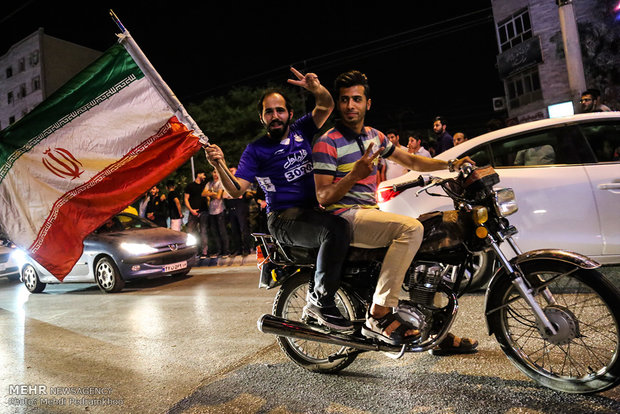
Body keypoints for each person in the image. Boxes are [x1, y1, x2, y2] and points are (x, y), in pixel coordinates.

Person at [312, 70, 478, 353]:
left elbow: (413, 160)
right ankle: (378, 314)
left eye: (356, 99)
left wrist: (451, 165)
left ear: (368, 103)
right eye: (344, 100)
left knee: (429, 244)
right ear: (338, 104)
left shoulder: (375, 137)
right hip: (343, 217)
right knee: (411, 228)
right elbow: (323, 197)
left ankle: (434, 329)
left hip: (369, 211)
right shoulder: (327, 142)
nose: (350, 106)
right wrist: (353, 175)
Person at [205, 67, 353, 331]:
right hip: (284, 218)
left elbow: (327, 105)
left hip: (312, 211)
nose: (275, 116)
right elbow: (237, 190)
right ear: (262, 118)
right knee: (337, 230)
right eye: (269, 112)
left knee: (353, 222)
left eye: (280, 110)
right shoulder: (256, 150)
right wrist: (219, 165)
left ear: (289, 114)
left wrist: (316, 88)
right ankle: (321, 300)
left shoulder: (302, 130)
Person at [224, 167, 253, 257]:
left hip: (241, 206)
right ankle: (238, 249)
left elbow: (244, 194)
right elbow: (225, 195)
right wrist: (234, 196)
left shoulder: (241, 181)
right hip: (232, 207)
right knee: (234, 229)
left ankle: (246, 249)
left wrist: (234, 196)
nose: (230, 172)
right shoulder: (228, 182)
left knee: (244, 228)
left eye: (232, 170)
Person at [204, 170, 230, 258]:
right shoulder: (209, 183)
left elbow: (219, 197)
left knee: (222, 231)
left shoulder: (220, 183)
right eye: (214, 172)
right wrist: (213, 193)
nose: (215, 174)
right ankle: (219, 251)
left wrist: (210, 193)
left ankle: (226, 251)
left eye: (217, 172)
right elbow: (203, 193)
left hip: (220, 210)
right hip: (211, 211)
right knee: (215, 232)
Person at [184, 171, 209, 258]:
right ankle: (193, 252)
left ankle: (204, 252)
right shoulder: (190, 186)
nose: (204, 176)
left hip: (204, 211)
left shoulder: (205, 185)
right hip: (193, 212)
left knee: (203, 231)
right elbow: (186, 199)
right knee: (190, 232)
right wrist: (191, 210)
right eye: (203, 174)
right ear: (198, 174)